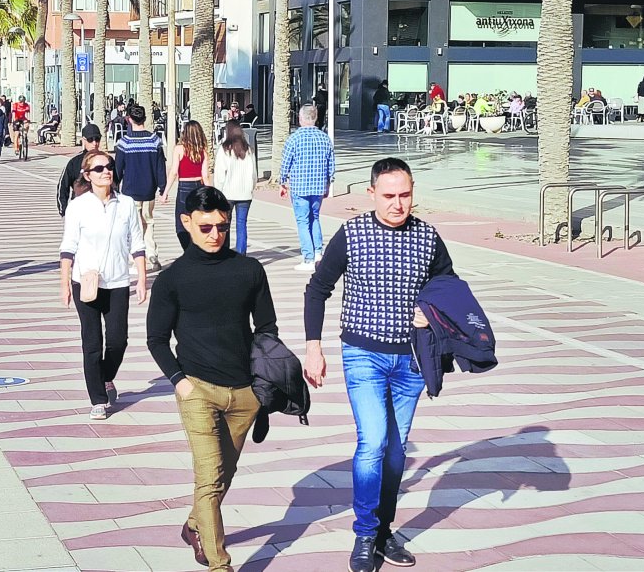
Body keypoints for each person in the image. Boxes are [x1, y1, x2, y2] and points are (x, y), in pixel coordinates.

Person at [303, 157, 455, 572]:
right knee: (373, 442)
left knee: (396, 449)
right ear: (371, 194)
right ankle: (365, 533)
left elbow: (450, 288)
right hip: (363, 355)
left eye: (405, 195)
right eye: (388, 196)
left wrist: (432, 311)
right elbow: (317, 289)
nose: (397, 204)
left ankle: (385, 531)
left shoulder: (427, 237)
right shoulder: (351, 234)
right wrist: (313, 348)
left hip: (411, 361)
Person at [146, 185, 278, 572]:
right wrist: (180, 382)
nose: (215, 234)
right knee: (209, 477)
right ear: (187, 223)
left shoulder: (249, 270)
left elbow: (266, 326)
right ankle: (220, 565)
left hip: (245, 394)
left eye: (222, 226)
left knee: (224, 476)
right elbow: (156, 339)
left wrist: (264, 382)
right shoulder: (173, 279)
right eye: (205, 227)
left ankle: (193, 526)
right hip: (198, 390)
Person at [59, 150, 147, 421]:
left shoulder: (127, 204)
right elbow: (68, 247)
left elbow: (137, 243)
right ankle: (98, 399)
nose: (106, 171)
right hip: (85, 280)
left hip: (118, 281)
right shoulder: (78, 206)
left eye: (109, 166)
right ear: (87, 175)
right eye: (99, 169)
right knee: (92, 342)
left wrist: (142, 279)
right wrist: (64, 284)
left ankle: (106, 376)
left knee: (119, 341)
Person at [279, 102, 335, 271]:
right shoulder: (325, 138)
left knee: (303, 221)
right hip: (318, 186)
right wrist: (328, 183)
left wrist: (282, 181)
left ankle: (308, 258)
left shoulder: (294, 139)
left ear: (301, 118)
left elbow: (285, 163)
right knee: (315, 218)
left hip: (300, 186)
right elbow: (331, 164)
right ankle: (318, 251)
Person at [114, 103, 167, 271]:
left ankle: (135, 260)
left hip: (130, 192)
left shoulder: (125, 142)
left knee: (132, 226)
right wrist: (162, 188)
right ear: (144, 119)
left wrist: (115, 187)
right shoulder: (154, 141)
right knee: (148, 222)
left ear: (129, 119)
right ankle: (152, 255)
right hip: (149, 191)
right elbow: (160, 167)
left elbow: (118, 168)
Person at [161, 121, 211, 251]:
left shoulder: (179, 149)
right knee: (197, 220)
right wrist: (210, 193)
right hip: (199, 186)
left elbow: (173, 172)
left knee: (181, 223)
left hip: (184, 186)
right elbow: (205, 175)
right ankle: (197, 248)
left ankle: (188, 250)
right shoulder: (203, 151)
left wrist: (165, 192)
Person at [213, 121, 257, 255]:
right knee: (241, 224)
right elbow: (253, 173)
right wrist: (251, 187)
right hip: (245, 194)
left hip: (227, 193)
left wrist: (217, 192)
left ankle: (224, 251)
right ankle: (241, 253)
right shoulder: (248, 149)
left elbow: (220, 173)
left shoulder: (224, 149)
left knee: (225, 224)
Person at [58, 125, 103, 216]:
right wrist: (64, 210)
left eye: (97, 139)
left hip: (102, 209)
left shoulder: (107, 161)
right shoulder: (74, 163)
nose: (94, 143)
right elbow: (63, 186)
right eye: (90, 139)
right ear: (83, 140)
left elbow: (115, 184)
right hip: (80, 211)